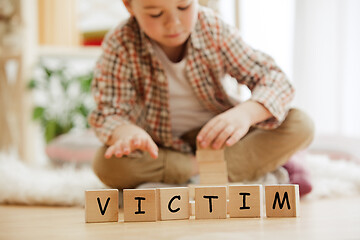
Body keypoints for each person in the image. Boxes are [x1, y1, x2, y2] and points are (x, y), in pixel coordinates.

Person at [88, 0, 314, 196]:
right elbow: (108, 112)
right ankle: (227, 171)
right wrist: (127, 132)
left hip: (223, 140)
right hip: (162, 148)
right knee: (106, 164)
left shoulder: (212, 28)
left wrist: (246, 114)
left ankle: (191, 177)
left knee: (300, 124)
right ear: (129, 6)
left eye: (184, 6)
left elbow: (274, 79)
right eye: (155, 13)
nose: (173, 23)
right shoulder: (120, 43)